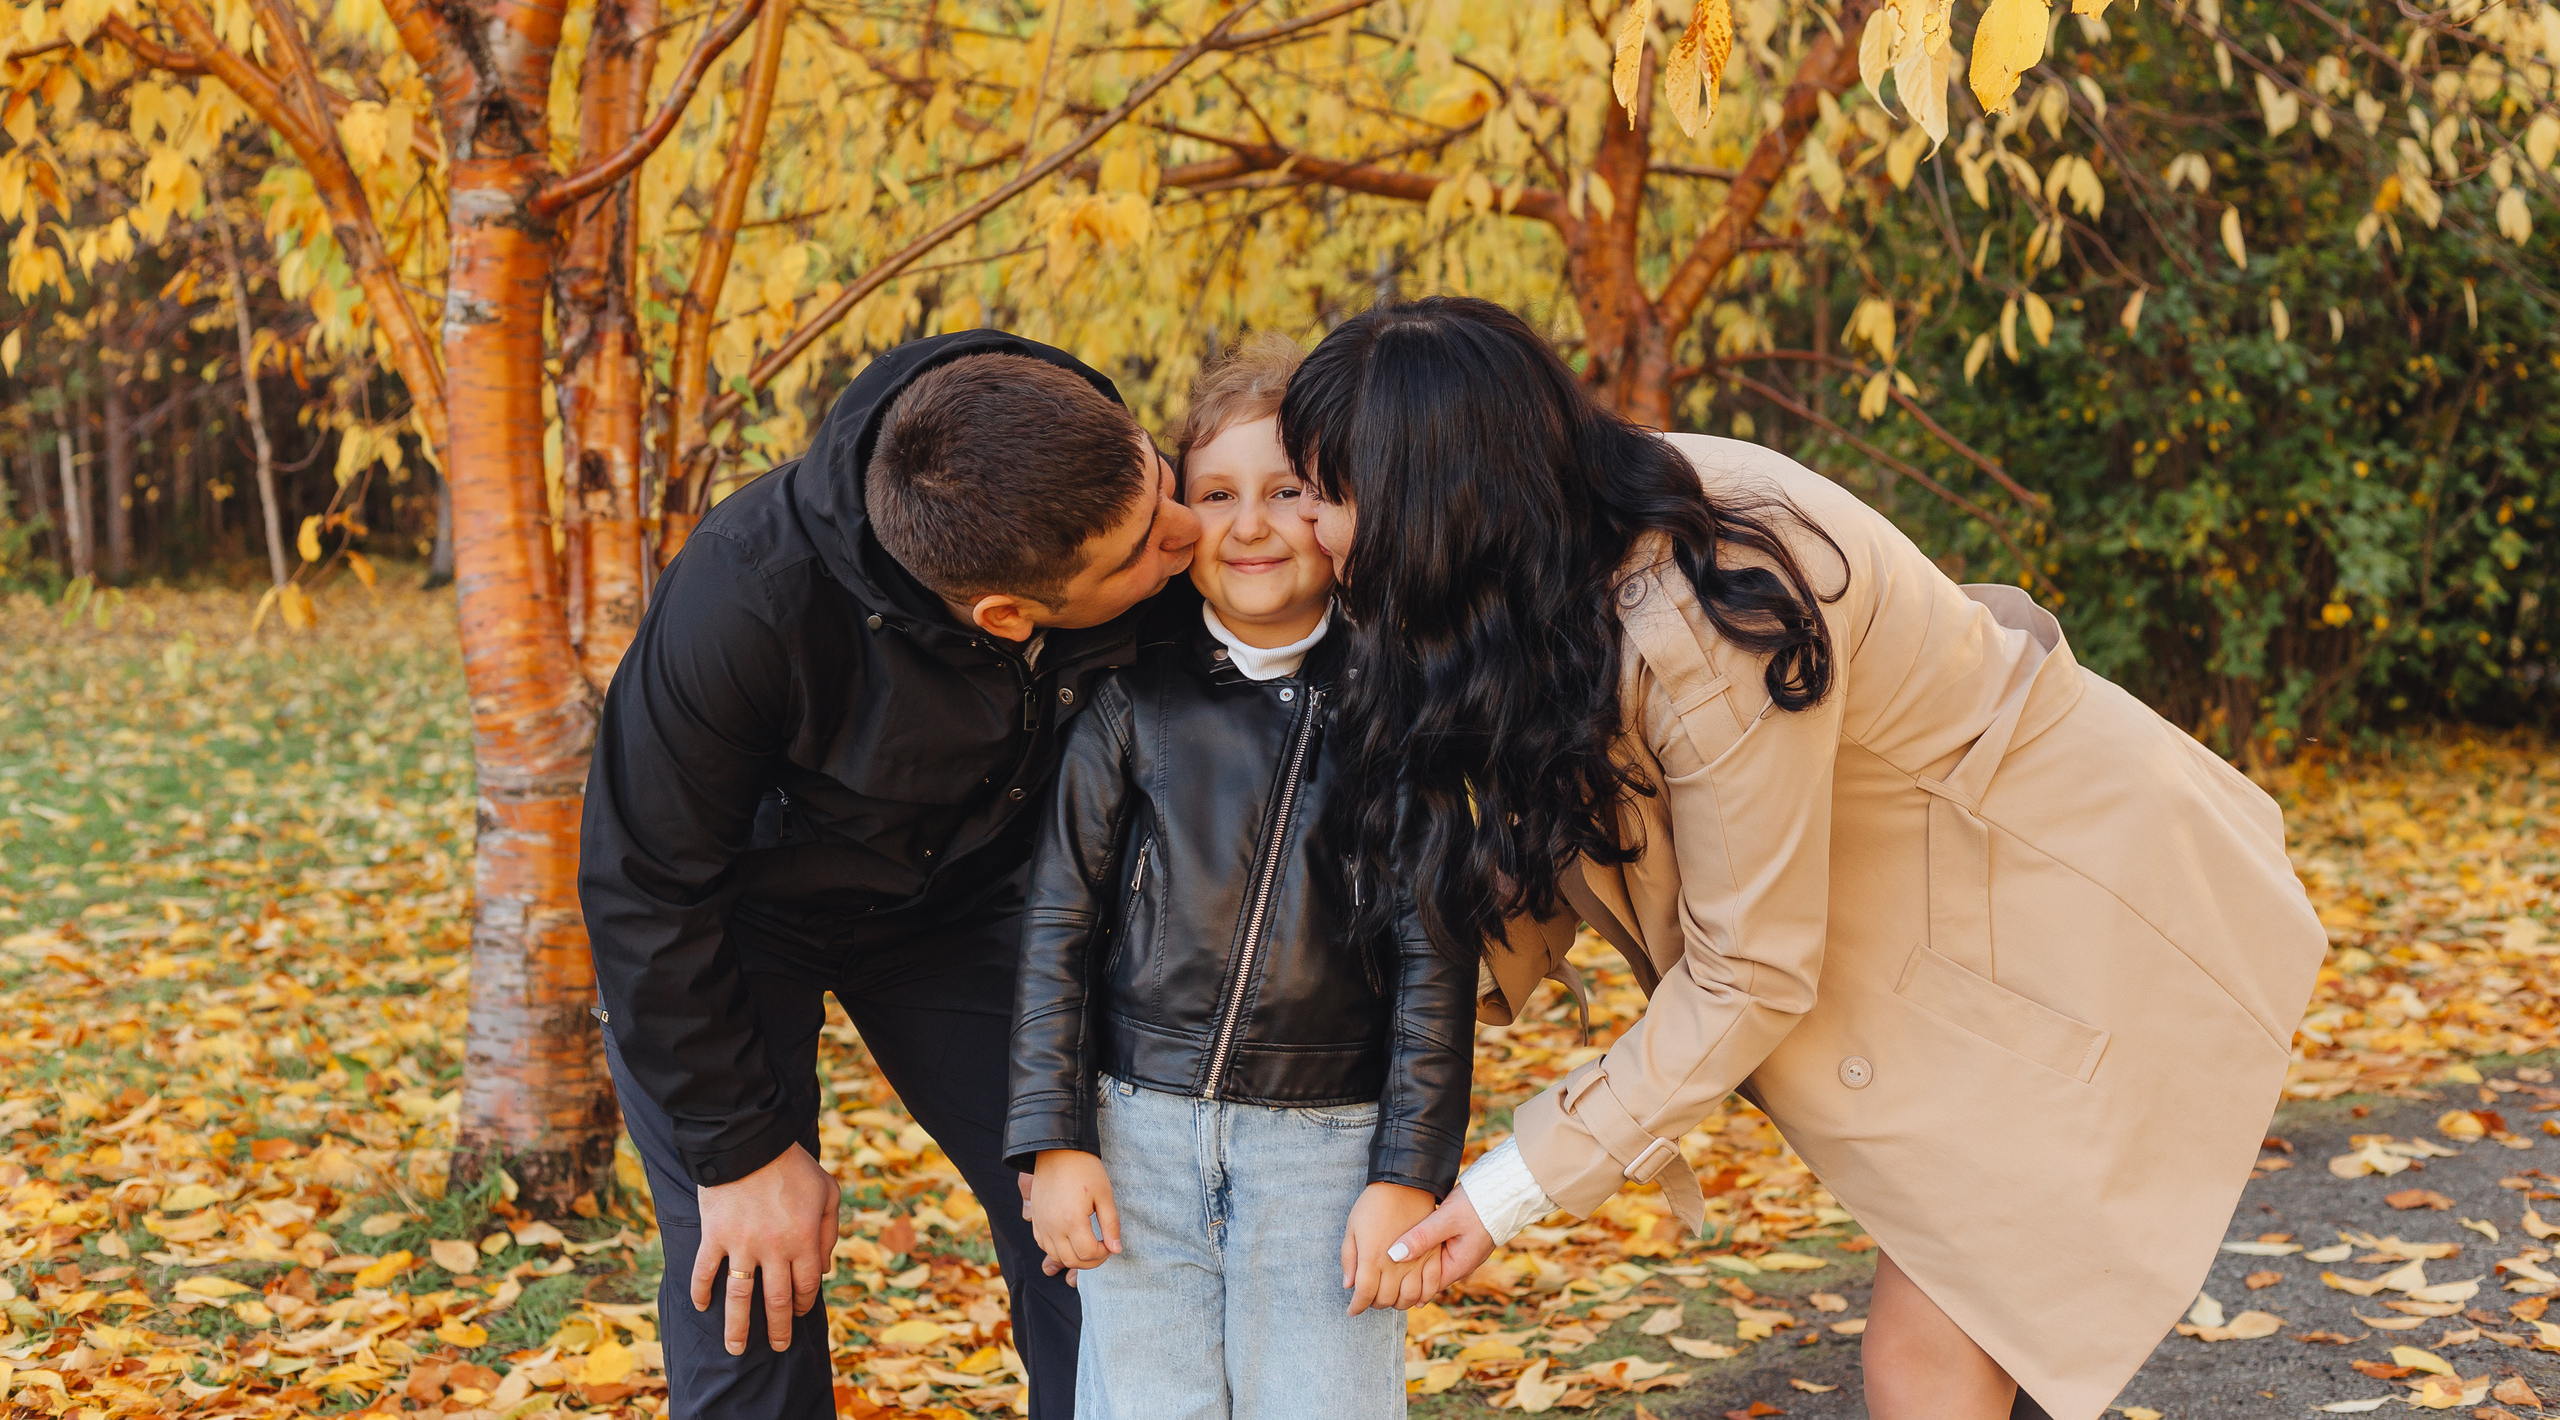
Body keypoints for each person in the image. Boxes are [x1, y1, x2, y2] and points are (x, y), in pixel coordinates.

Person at [1278, 298, 2325, 1420]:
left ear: (1434, 498)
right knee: (1970, 1341)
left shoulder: (1707, 616)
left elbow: (1750, 969)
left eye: (1328, 495)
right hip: (1948, 925)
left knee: (1933, 1357)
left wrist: (1502, 1191)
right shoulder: (1566, 536)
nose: (1310, 529)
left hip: (2065, 914)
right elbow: (1574, 823)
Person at [580, 331, 1202, 1420]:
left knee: (1103, 1240)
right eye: (1146, 548)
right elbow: (645, 889)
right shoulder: (743, 602)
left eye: (1158, 480)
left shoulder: (1063, 449)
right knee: (752, 1282)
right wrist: (741, 1153)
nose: (1187, 536)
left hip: (966, 906)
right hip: (734, 927)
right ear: (1008, 619)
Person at [1003, 335, 1475, 1420]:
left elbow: (1432, 968)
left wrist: (1408, 1168)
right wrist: (1054, 1138)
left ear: (1344, 510)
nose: (1251, 523)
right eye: (1216, 493)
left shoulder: (1403, 712)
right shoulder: (1128, 701)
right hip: (1137, 1137)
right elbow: (1056, 929)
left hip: (1324, 1148)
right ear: (1176, 521)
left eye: (1289, 490)